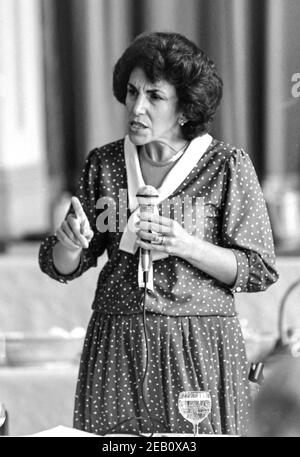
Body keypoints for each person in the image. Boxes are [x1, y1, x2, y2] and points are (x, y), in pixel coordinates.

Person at [39, 31, 279, 436]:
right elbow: (63, 265)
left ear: (185, 109)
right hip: (116, 345)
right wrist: (67, 244)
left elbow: (258, 269)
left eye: (154, 97)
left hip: (200, 346)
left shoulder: (225, 166)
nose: (137, 107)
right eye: (132, 93)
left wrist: (184, 245)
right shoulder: (104, 164)